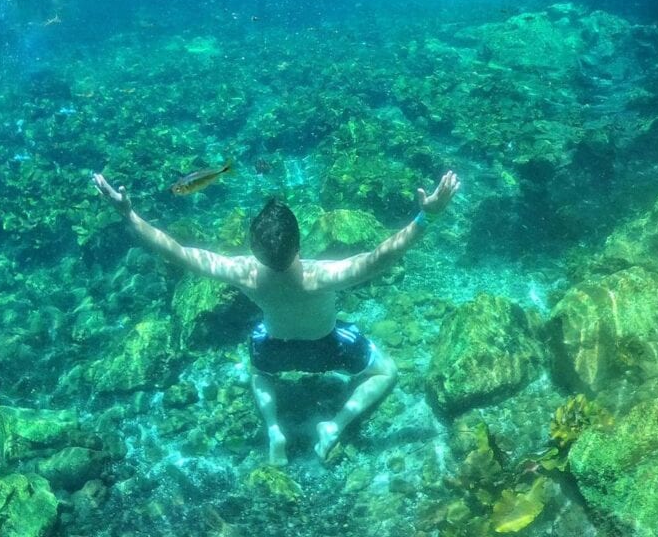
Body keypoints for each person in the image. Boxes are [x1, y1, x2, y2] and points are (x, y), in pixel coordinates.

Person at [92, 169, 460, 465]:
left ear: (252, 247)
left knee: (257, 370)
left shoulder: (244, 272)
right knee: (387, 371)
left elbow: (178, 252)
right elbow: (381, 257)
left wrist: (128, 213)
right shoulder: (321, 275)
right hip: (328, 347)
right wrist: (427, 216)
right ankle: (335, 426)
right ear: (299, 245)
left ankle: (274, 430)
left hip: (274, 347)